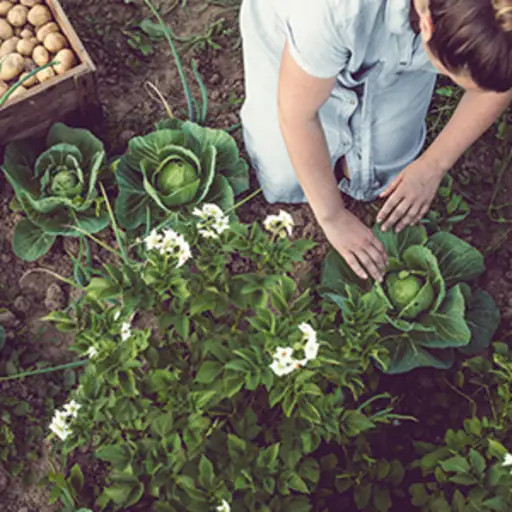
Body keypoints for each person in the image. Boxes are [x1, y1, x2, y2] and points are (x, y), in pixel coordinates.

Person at [239, 0, 512, 282]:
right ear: (428, 26)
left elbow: (497, 83)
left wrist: (434, 164)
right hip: (294, 38)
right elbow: (297, 116)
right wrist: (333, 217)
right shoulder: (332, 10)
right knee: (285, 179)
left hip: (400, 46)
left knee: (382, 174)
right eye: (457, 78)